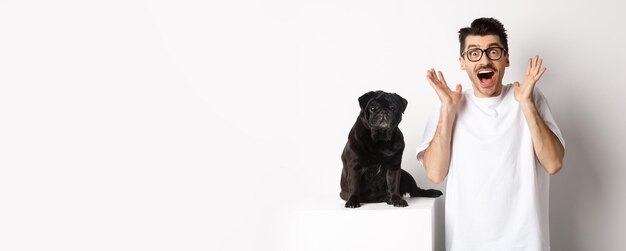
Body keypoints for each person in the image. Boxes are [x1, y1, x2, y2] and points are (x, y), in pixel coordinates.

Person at [416, 17, 565, 251]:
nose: (484, 59)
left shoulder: (529, 97)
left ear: (506, 58)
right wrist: (447, 110)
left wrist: (526, 103)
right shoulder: (450, 105)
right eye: (474, 53)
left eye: (493, 51)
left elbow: (554, 163)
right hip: (467, 243)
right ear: (462, 62)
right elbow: (435, 174)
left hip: (526, 244)